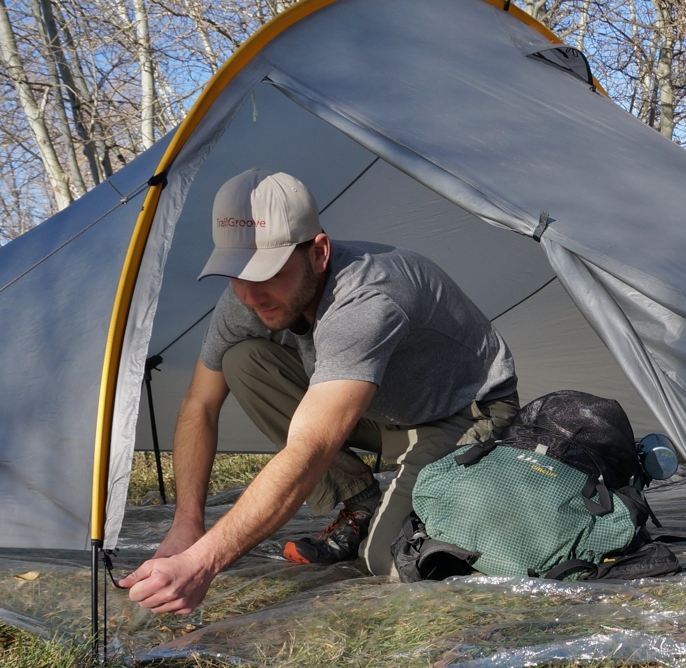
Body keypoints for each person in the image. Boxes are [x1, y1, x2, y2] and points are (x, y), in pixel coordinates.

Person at [119, 168, 519, 614]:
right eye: (235, 274)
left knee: (390, 561)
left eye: (267, 272)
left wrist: (201, 562)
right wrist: (186, 525)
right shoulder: (247, 298)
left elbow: (310, 448)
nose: (250, 296)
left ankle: (499, 493)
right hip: (380, 410)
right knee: (242, 359)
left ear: (319, 253)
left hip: (460, 412)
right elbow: (199, 405)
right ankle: (362, 500)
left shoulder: (365, 301)